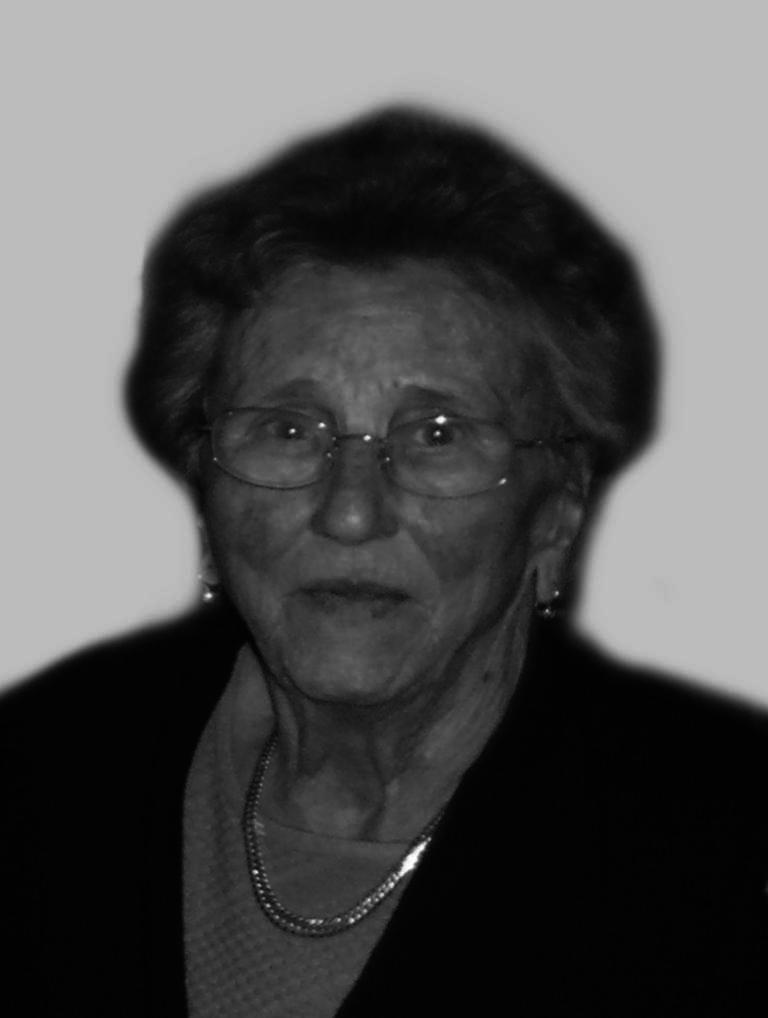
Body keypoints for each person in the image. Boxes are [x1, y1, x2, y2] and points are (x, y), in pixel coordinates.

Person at [2, 105, 767, 1018]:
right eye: (288, 430)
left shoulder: (723, 853)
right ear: (206, 490)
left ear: (556, 514)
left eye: (437, 435)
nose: (352, 511)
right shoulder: (45, 776)